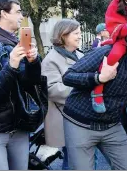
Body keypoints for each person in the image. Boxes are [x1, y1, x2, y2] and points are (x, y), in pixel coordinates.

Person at [61, 14, 127, 170]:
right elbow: (68, 77)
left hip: (111, 125)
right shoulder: (107, 53)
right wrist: (99, 78)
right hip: (80, 123)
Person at [0, 15, 41, 170]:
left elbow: (29, 81)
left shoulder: (5, 52)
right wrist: (11, 66)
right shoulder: (8, 59)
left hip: (18, 128)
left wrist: (33, 62)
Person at [41, 19, 84, 170]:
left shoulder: (79, 54)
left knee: (84, 158)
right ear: (63, 35)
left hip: (80, 115)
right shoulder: (51, 59)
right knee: (74, 160)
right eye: (76, 33)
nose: (80, 36)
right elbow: (52, 89)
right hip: (65, 116)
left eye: (80, 33)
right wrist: (84, 90)